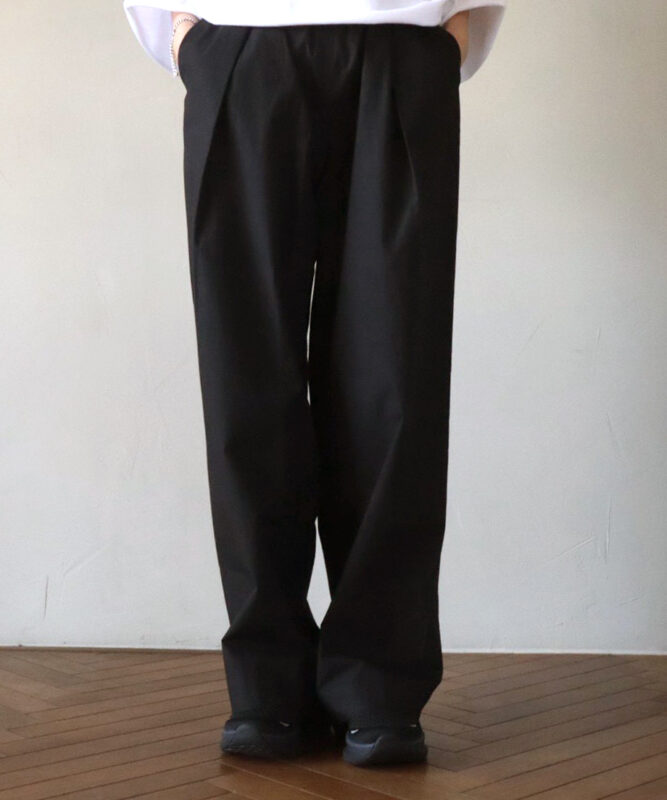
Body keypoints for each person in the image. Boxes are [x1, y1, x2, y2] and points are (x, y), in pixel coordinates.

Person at [123, 0, 506, 767]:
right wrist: (179, 35)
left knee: (393, 379)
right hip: (241, 45)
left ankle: (378, 685)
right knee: (245, 377)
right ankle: (265, 684)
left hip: (401, 46)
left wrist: (456, 32)